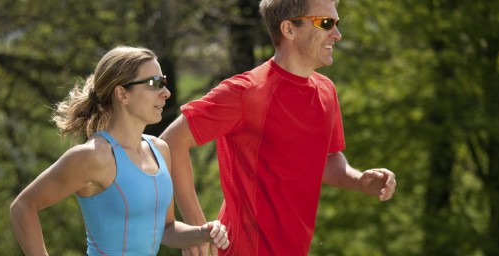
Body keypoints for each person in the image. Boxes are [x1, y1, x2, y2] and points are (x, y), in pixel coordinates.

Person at [159, 0, 397, 255]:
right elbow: (171, 142)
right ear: (289, 29)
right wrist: (197, 229)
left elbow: (324, 158)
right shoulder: (245, 92)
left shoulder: (326, 91)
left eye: (336, 23)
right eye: (326, 23)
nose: (337, 35)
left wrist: (359, 180)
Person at [10, 46, 229, 256]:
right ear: (122, 94)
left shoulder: (160, 150)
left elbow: (166, 229)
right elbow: (23, 206)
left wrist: (202, 232)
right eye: (154, 83)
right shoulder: (93, 156)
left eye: (163, 82)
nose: (166, 92)